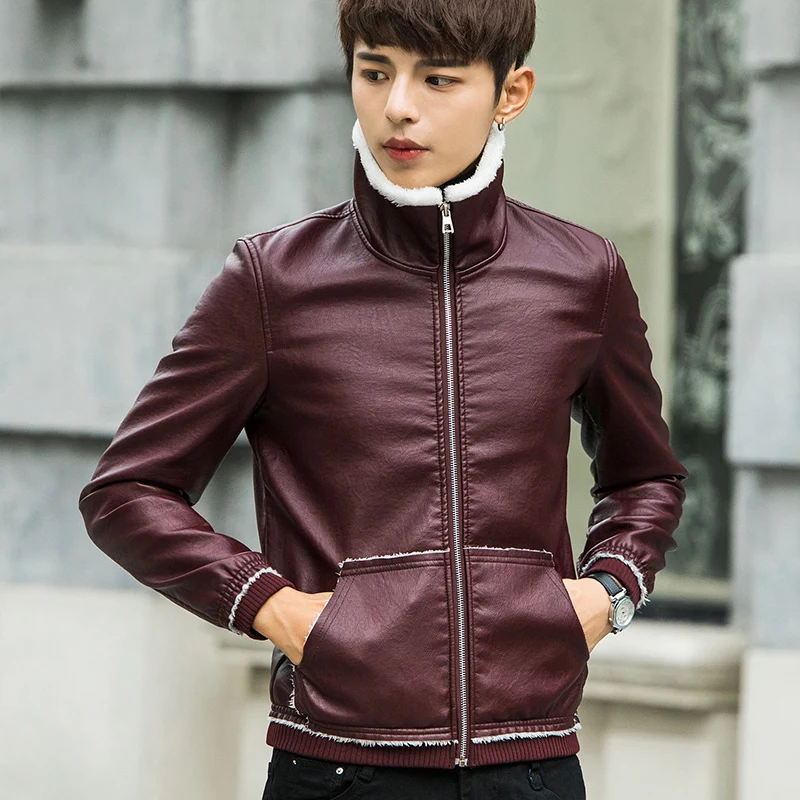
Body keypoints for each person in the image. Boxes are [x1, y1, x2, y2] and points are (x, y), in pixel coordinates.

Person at [79, 0, 689, 797]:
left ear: (511, 93)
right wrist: (273, 606)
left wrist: (609, 591)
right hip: (339, 766)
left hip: (531, 764)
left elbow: (646, 478)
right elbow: (127, 491)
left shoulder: (582, 276)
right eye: (375, 72)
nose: (398, 106)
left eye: (437, 79)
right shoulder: (275, 281)